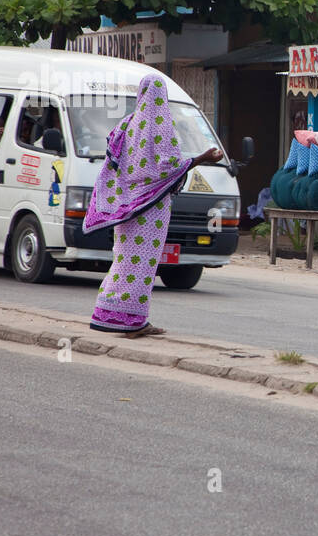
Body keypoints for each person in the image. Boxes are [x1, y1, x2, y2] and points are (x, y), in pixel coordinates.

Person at [84, 74, 222, 338]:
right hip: (152, 206)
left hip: (126, 206)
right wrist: (203, 158)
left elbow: (112, 162)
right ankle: (133, 322)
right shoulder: (160, 124)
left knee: (124, 259)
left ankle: (108, 312)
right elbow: (169, 165)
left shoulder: (127, 124)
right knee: (144, 265)